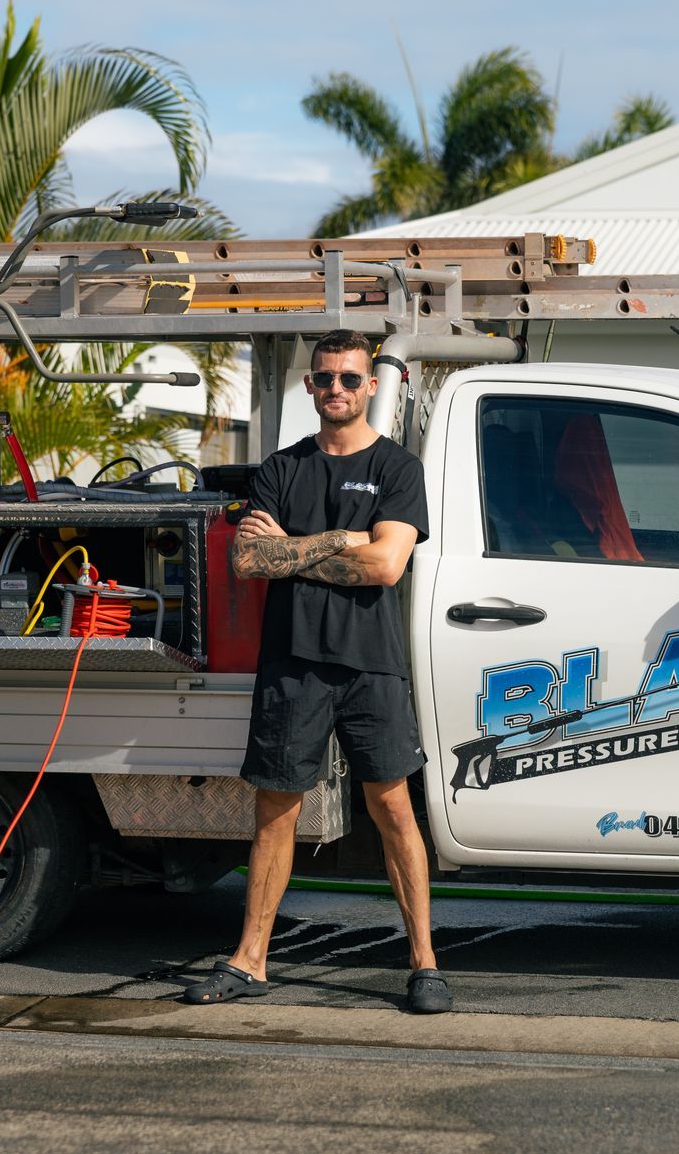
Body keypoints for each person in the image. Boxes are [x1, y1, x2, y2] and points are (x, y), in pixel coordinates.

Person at [182, 329, 450, 1014]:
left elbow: (387, 565)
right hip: (292, 661)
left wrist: (293, 552)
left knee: (391, 806)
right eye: (325, 378)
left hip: (371, 662)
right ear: (310, 386)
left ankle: (423, 961)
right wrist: (338, 541)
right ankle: (250, 960)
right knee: (275, 810)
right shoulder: (280, 468)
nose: (336, 389)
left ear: (369, 386)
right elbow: (247, 561)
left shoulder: (398, 468)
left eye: (350, 379)